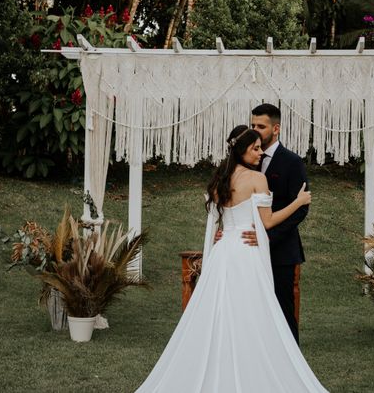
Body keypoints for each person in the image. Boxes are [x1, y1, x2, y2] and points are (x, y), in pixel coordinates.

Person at [135, 126, 328, 393]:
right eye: (255, 148)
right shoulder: (257, 180)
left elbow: (217, 225)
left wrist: (218, 237)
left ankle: (221, 367)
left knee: (221, 313)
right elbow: (268, 222)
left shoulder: (219, 181)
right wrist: (299, 201)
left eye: (261, 148)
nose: (261, 153)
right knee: (251, 313)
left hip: (224, 252)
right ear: (241, 150)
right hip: (245, 252)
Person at [250, 102, 309, 343]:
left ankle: (292, 367)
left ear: (276, 129)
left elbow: (300, 210)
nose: (255, 130)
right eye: (252, 125)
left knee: (284, 310)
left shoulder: (292, 162)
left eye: (261, 126)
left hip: (281, 250)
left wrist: (268, 238)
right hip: (249, 248)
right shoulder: (246, 160)